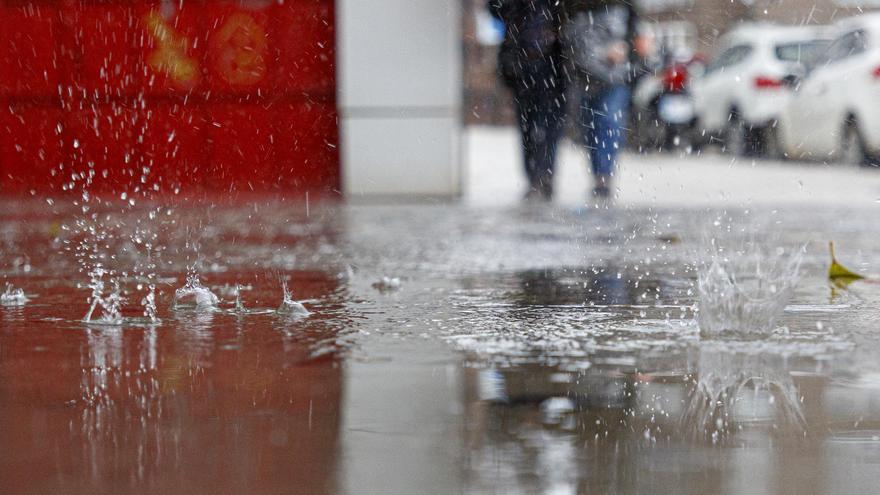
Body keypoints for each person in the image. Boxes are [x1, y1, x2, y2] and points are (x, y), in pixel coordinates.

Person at [561, 0, 640, 200]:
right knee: (591, 128)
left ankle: (603, 177)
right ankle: (598, 175)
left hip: (615, 77)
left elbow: (634, 33)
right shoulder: (574, 8)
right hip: (583, 76)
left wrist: (627, 49)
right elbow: (565, 33)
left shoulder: (624, 7)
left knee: (609, 123)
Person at [488, 0, 567, 200]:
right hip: (521, 62)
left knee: (549, 123)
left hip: (553, 63)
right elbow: (496, 10)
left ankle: (544, 174)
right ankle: (535, 177)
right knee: (528, 124)